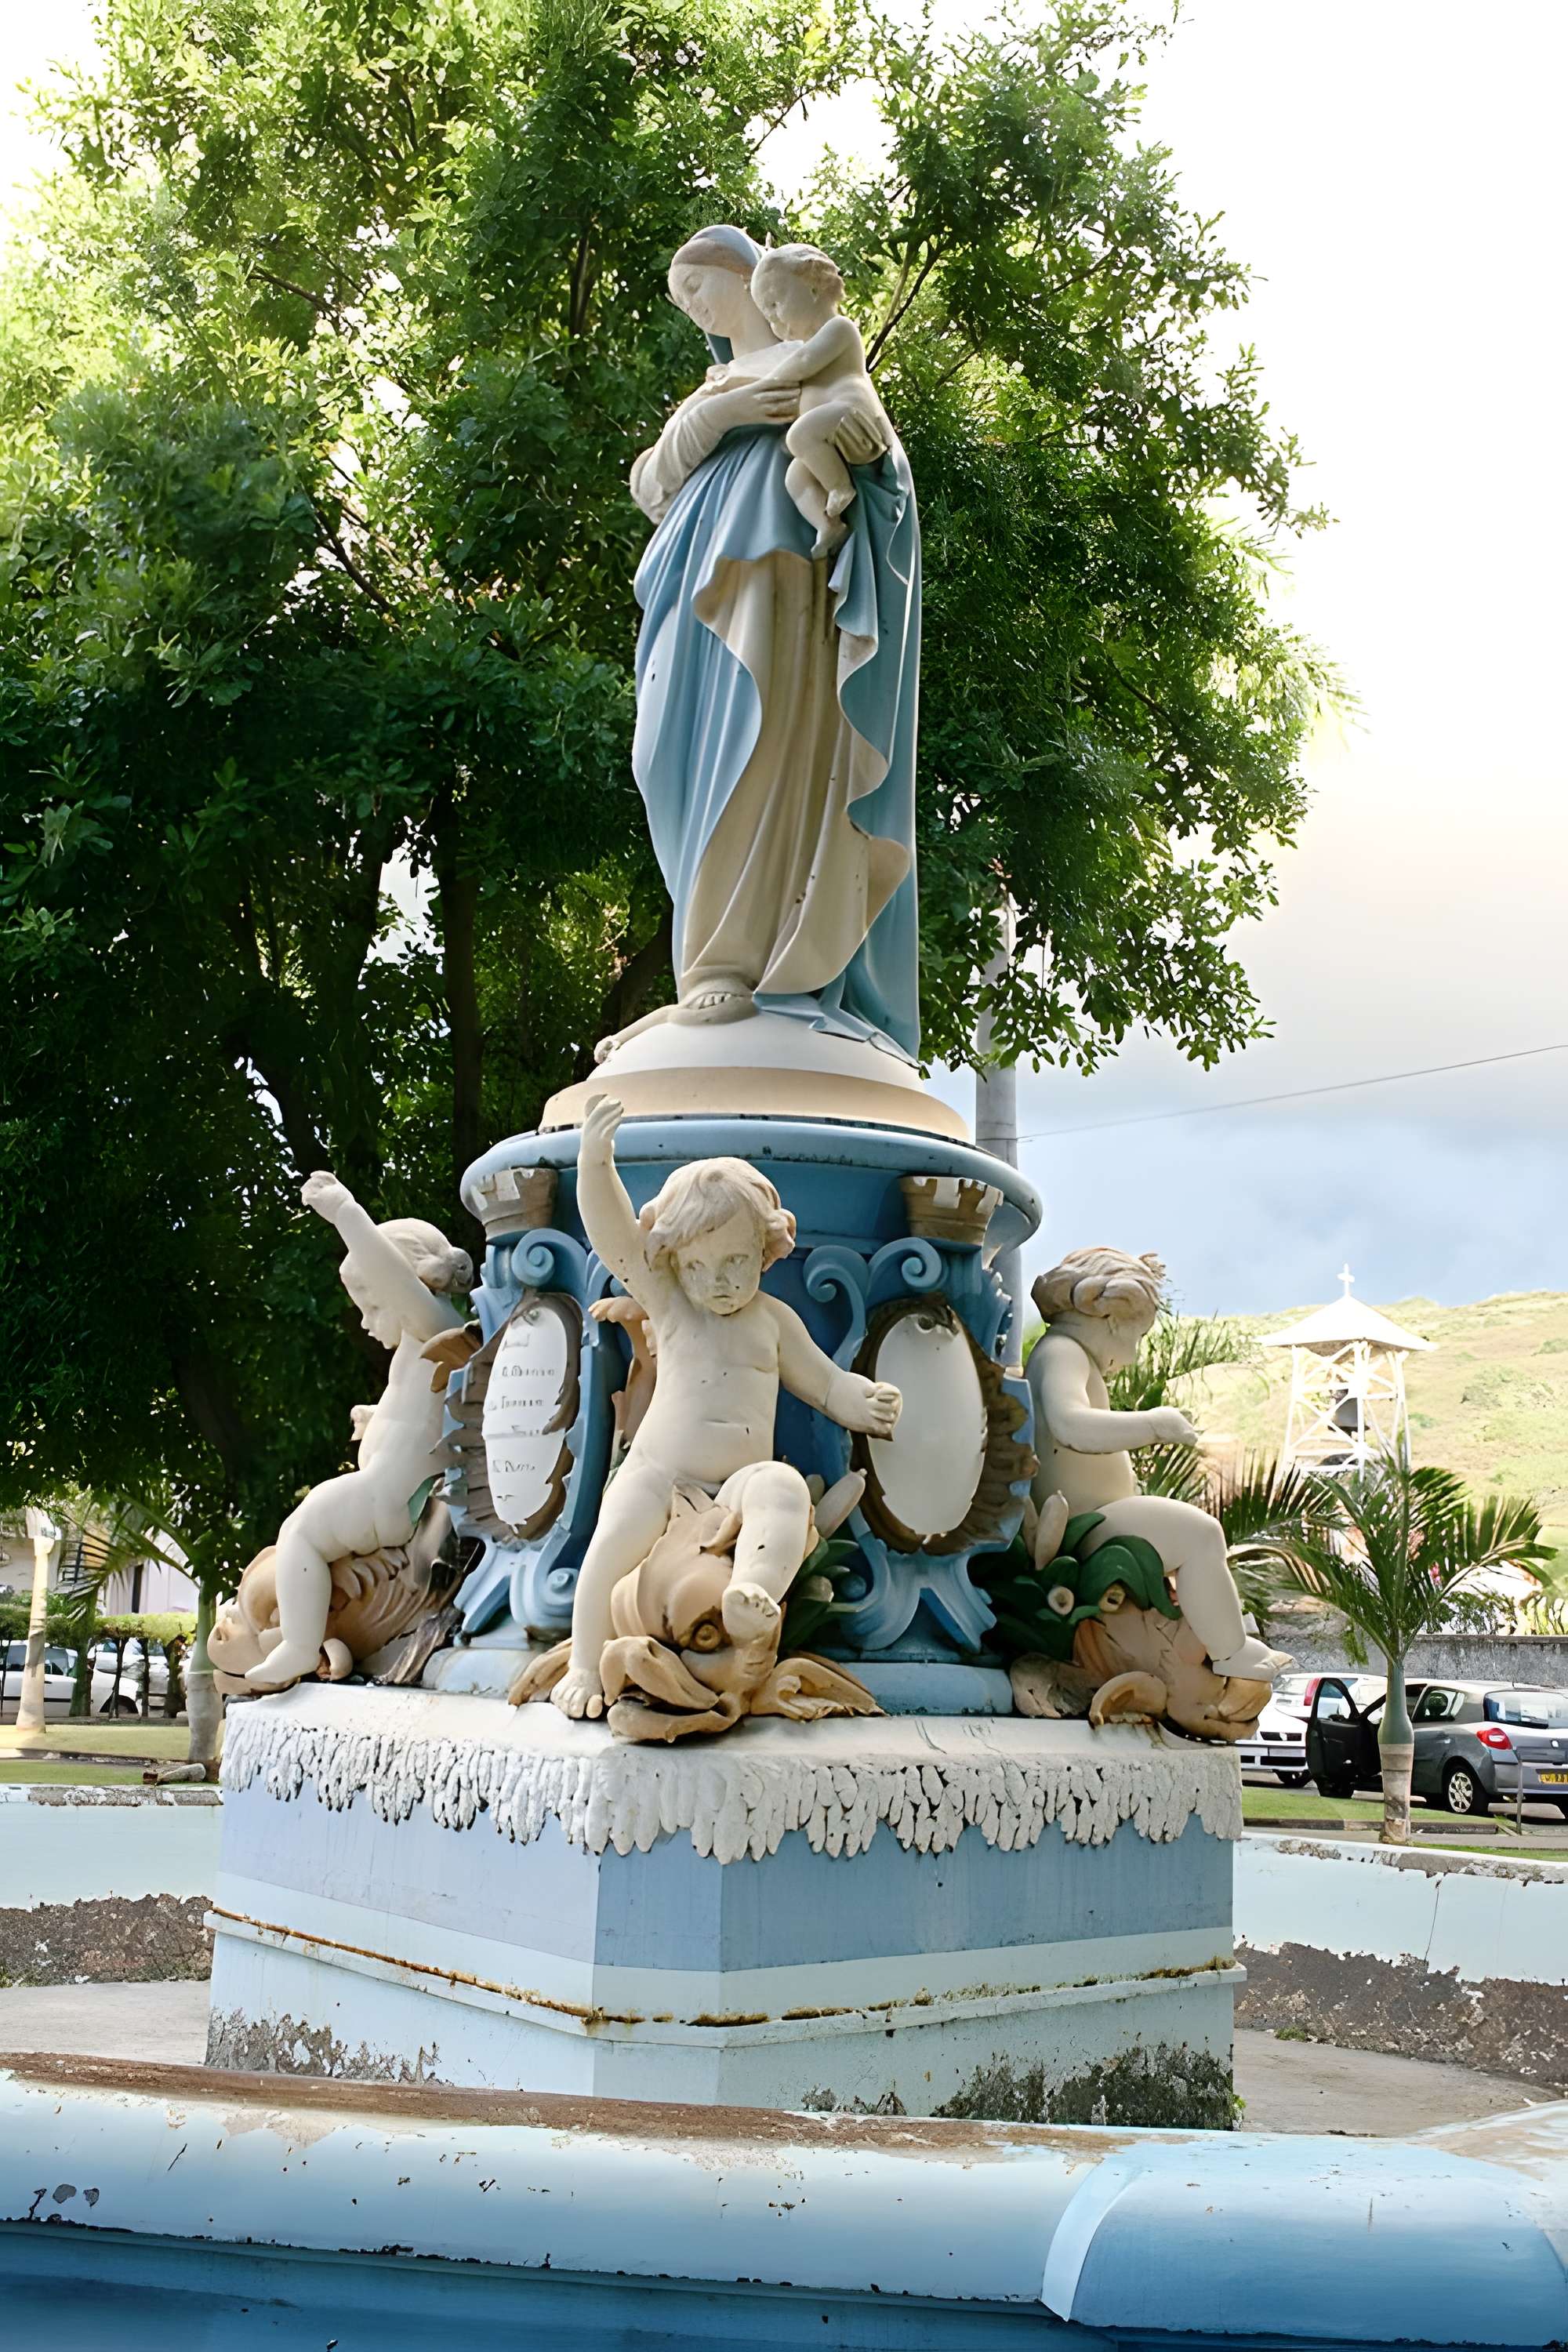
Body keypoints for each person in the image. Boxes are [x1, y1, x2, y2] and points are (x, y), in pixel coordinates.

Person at [598, 224, 921, 1060]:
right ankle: (707, 957)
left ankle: (745, 961)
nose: (694, 307)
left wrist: (861, 468)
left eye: (698, 287)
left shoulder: (817, 359)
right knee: (682, 760)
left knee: (769, 744)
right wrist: (719, 418)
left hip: (784, 581)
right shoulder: (714, 388)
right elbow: (649, 483)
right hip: (690, 591)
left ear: (751, 280)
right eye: (682, 299)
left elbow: (872, 462)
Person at [547, 1095, 901, 1719]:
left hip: (733, 1484)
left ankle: (752, 1591)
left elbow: (823, 1383)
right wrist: (596, 1161)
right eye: (700, 1266)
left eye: (737, 1262)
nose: (720, 1281)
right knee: (610, 1544)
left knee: (782, 1488)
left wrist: (861, 1401)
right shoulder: (672, 1304)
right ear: (675, 1263)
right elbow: (614, 1238)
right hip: (660, 1470)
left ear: (766, 1251)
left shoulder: (773, 1322)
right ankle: (584, 1663)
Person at [1027, 1246, 1292, 1686]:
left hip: (1098, 1517)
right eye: (1134, 1337)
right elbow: (1069, 1423)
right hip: (1084, 1524)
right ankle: (1230, 1649)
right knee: (1200, 1534)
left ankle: (1216, 1629)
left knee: (1193, 1537)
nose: (1131, 1356)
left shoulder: (1068, 1353)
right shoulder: (1062, 1352)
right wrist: (1154, 1424)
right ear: (1110, 1319)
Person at [244, 1174, 470, 1690]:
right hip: (391, 1493)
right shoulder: (420, 1347)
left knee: (299, 1533)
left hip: (391, 1500)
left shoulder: (434, 1324)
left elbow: (396, 1282)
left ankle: (300, 1645)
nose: (367, 1323)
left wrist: (346, 1212)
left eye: (371, 1307)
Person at [748, 242, 893, 557]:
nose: (773, 320)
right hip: (831, 438)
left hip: (856, 423)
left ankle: (841, 487)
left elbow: (803, 364)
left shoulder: (839, 328)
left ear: (813, 288)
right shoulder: (805, 345)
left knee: (800, 435)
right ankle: (828, 525)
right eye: (766, 314)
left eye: (775, 303)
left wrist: (766, 384)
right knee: (795, 477)